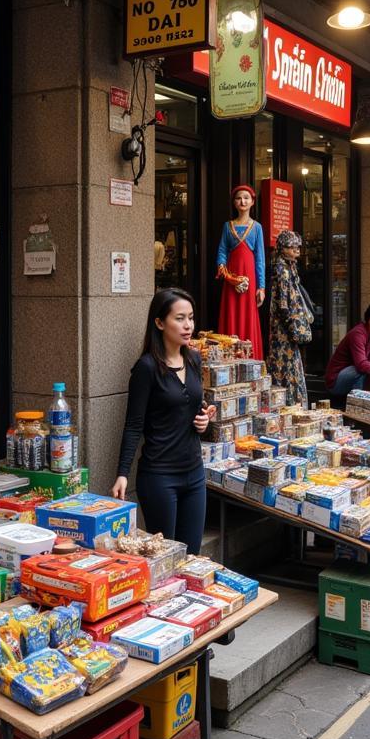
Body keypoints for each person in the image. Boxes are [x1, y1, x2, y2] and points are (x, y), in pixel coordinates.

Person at [112, 288, 210, 554]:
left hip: (195, 473)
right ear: (159, 322)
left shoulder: (194, 359)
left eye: (190, 317)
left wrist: (202, 421)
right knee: (165, 556)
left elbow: (188, 404)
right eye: (180, 318)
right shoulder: (146, 368)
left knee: (192, 556)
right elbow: (133, 425)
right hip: (159, 477)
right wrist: (122, 473)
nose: (188, 325)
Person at [215, 185, 265, 358]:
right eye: (238, 198)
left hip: (250, 276)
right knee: (231, 310)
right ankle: (229, 355)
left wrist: (262, 287)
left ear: (252, 202)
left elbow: (260, 258)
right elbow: (222, 250)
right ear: (234, 202)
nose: (242, 201)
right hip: (232, 276)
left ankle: (249, 357)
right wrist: (222, 268)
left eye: (246, 198)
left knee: (248, 312)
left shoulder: (257, 227)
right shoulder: (227, 226)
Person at [267, 230, 313, 407]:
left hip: (285, 326)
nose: (296, 250)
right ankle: (290, 403)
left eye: (297, 247)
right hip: (284, 328)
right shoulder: (282, 270)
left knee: (288, 362)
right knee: (286, 363)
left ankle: (290, 402)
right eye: (291, 247)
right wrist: (292, 325)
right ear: (282, 248)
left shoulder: (288, 267)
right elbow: (284, 303)